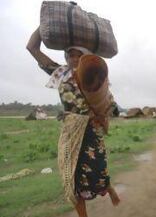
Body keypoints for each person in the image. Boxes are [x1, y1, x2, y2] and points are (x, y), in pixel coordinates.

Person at [27, 27, 120, 217]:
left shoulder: (94, 76)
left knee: (98, 169)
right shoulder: (60, 74)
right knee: (72, 178)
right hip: (71, 133)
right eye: (71, 55)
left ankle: (109, 189)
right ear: (66, 57)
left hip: (92, 133)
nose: (74, 59)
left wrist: (107, 113)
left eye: (79, 55)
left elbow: (109, 103)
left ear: (86, 58)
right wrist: (42, 25)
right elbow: (32, 48)